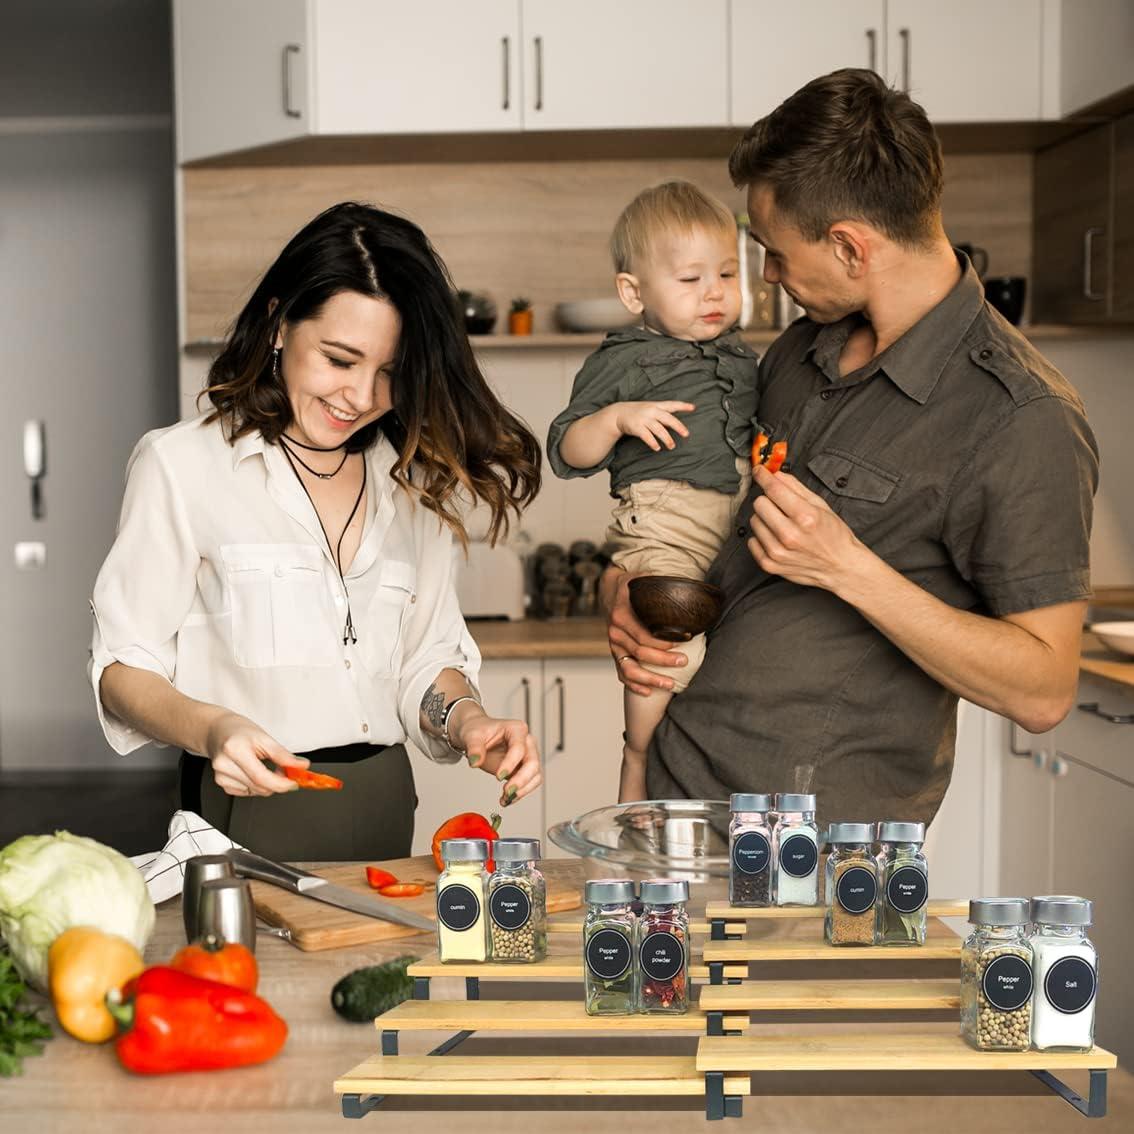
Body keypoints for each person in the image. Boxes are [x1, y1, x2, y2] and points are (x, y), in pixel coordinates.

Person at [602, 70, 1099, 825]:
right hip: (676, 790)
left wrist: (849, 569)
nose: (766, 273)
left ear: (848, 247)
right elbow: (706, 520)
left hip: (811, 853)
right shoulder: (800, 351)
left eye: (773, 250)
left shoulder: (1021, 417)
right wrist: (626, 593)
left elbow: (1043, 688)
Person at [90, 202, 544, 861]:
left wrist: (470, 720)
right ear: (279, 324)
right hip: (242, 814)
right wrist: (216, 729)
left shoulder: (418, 483)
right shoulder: (182, 466)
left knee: (380, 971)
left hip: (389, 812)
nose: (360, 397)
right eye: (339, 359)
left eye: (389, 372)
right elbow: (122, 668)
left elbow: (425, 660)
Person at [546, 181, 761, 803]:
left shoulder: (745, 359)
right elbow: (566, 448)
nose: (714, 292)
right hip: (665, 519)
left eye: (726, 272)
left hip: (737, 518)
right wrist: (616, 419)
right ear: (633, 293)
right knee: (665, 646)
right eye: (691, 279)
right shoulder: (623, 360)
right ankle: (637, 765)